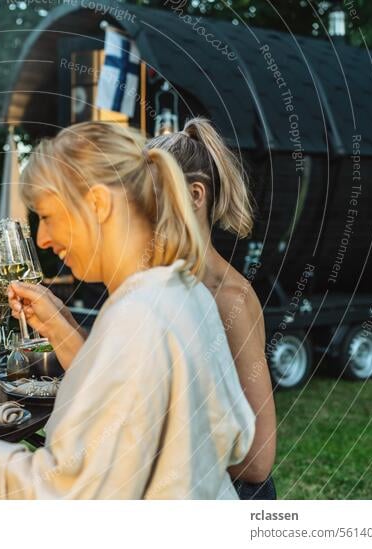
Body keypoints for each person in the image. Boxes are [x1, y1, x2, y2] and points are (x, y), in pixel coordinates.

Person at [0, 121, 255, 499]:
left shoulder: (136, 316)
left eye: (46, 216)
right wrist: (57, 324)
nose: (43, 239)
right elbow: (222, 433)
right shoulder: (184, 292)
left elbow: (75, 497)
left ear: (98, 203)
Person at [145, 118, 277, 500]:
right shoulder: (162, 283)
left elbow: (256, 461)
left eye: (148, 200)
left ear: (196, 195)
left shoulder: (228, 298)